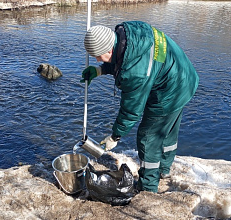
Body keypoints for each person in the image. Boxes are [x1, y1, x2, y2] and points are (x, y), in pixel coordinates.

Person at [81, 21, 199, 193]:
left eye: (98, 56)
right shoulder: (130, 33)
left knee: (148, 136)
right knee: (167, 129)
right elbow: (122, 58)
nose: (97, 59)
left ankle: (148, 187)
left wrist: (115, 136)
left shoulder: (135, 71)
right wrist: (100, 70)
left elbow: (131, 110)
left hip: (171, 91)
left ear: (108, 49)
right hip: (184, 77)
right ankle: (164, 169)